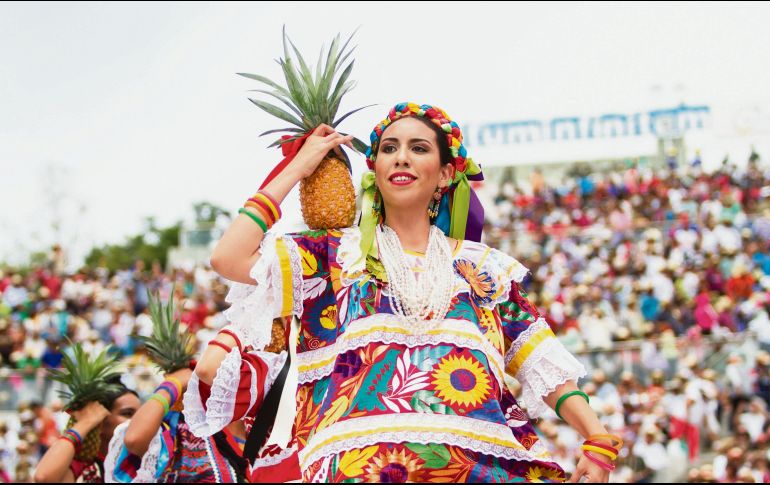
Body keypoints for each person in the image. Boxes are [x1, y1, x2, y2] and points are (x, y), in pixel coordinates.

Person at [194, 102, 622, 482]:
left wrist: (597, 439)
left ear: (446, 173)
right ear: (374, 169)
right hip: (357, 469)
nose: (401, 157)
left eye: (419, 148)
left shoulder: (483, 267)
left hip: (478, 467)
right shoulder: (331, 256)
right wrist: (298, 168)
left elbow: (540, 361)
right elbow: (228, 258)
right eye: (389, 148)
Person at [33, 380, 141, 483]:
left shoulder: (147, 463)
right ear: (101, 420)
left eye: (140, 414)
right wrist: (86, 422)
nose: (138, 420)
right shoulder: (83, 468)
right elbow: (43, 478)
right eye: (127, 413)